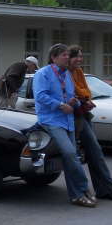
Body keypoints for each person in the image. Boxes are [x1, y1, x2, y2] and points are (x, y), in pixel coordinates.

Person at [67, 44, 112, 201]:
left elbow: (85, 90)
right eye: (77, 56)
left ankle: (106, 189)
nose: (80, 59)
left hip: (83, 113)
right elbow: (74, 91)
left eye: (81, 56)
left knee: (94, 152)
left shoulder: (78, 71)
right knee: (88, 152)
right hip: (73, 116)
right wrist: (84, 98)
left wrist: (85, 98)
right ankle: (95, 190)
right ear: (68, 58)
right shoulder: (64, 73)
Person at [33, 43, 95, 208]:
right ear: (54, 57)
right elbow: (40, 96)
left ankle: (76, 195)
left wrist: (78, 103)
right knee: (70, 153)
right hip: (51, 120)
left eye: (68, 54)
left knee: (71, 158)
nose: (68, 57)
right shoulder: (42, 73)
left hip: (68, 120)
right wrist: (61, 105)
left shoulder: (67, 74)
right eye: (64, 55)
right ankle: (83, 188)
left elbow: (69, 96)